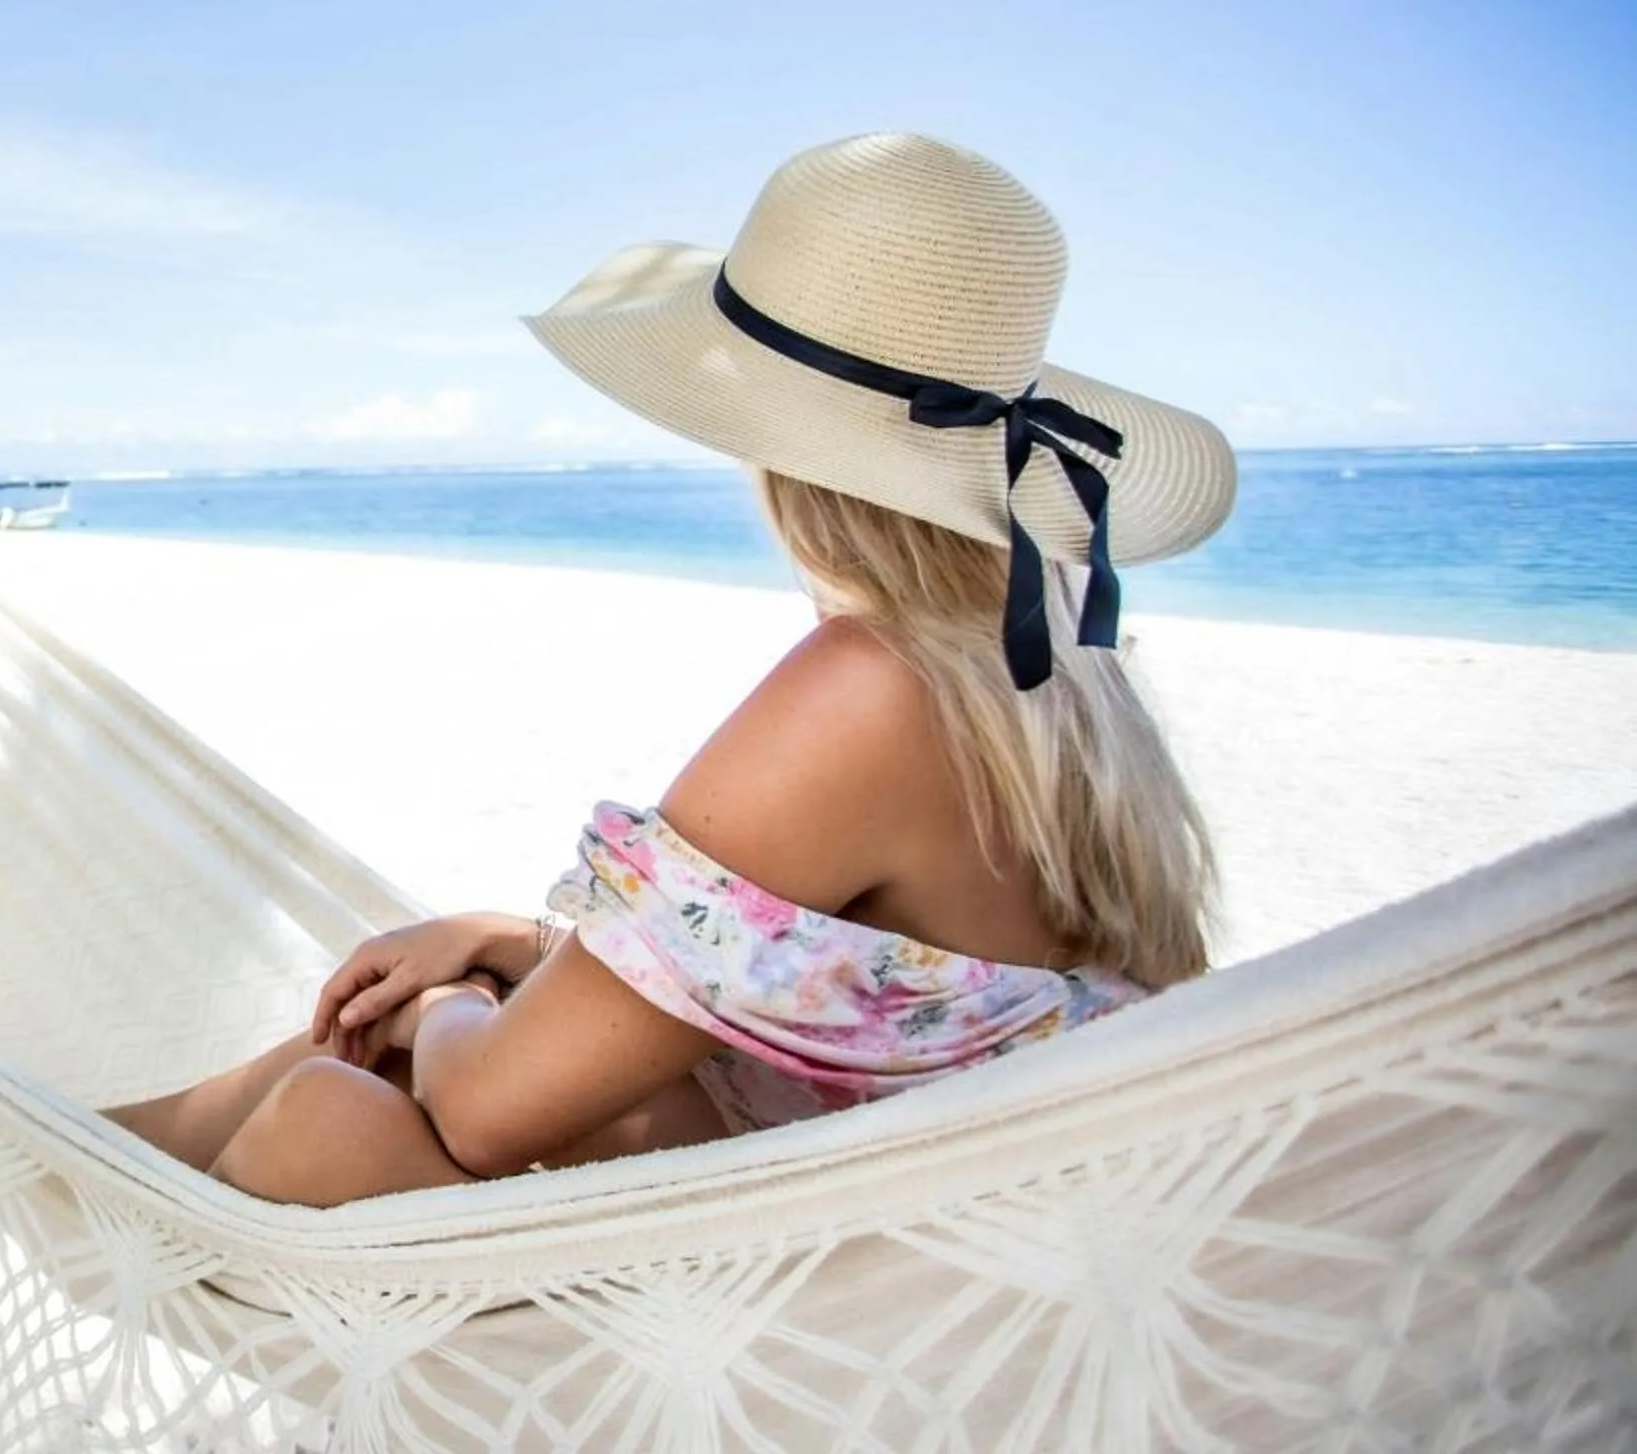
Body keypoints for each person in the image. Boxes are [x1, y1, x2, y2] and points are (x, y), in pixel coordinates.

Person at [104, 133, 1237, 1205]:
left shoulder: (874, 684)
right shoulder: (1055, 663)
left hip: (853, 1303)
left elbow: (490, 1116)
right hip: (940, 1216)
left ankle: (59, 1175)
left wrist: (449, 1001)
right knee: (392, 1051)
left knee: (333, 1110)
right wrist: (503, 939)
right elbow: (850, 1003)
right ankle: (73, 1159)